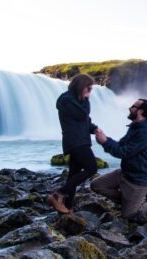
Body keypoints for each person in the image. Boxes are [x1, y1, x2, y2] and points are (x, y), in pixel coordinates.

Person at [91, 99, 147, 221]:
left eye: (133, 106)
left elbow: (124, 152)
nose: (130, 108)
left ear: (140, 111)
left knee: (129, 215)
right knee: (96, 185)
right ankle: (129, 203)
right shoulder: (136, 126)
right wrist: (105, 138)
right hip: (126, 173)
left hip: (139, 179)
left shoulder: (146, 133)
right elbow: (121, 146)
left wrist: (105, 141)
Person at [48, 74, 99, 214]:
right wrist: (87, 99)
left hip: (80, 140)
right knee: (91, 168)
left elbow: (85, 121)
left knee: (74, 174)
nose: (90, 91)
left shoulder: (77, 100)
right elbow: (83, 114)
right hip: (75, 141)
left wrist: (94, 129)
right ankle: (58, 194)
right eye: (88, 88)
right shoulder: (66, 100)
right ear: (80, 86)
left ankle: (67, 207)